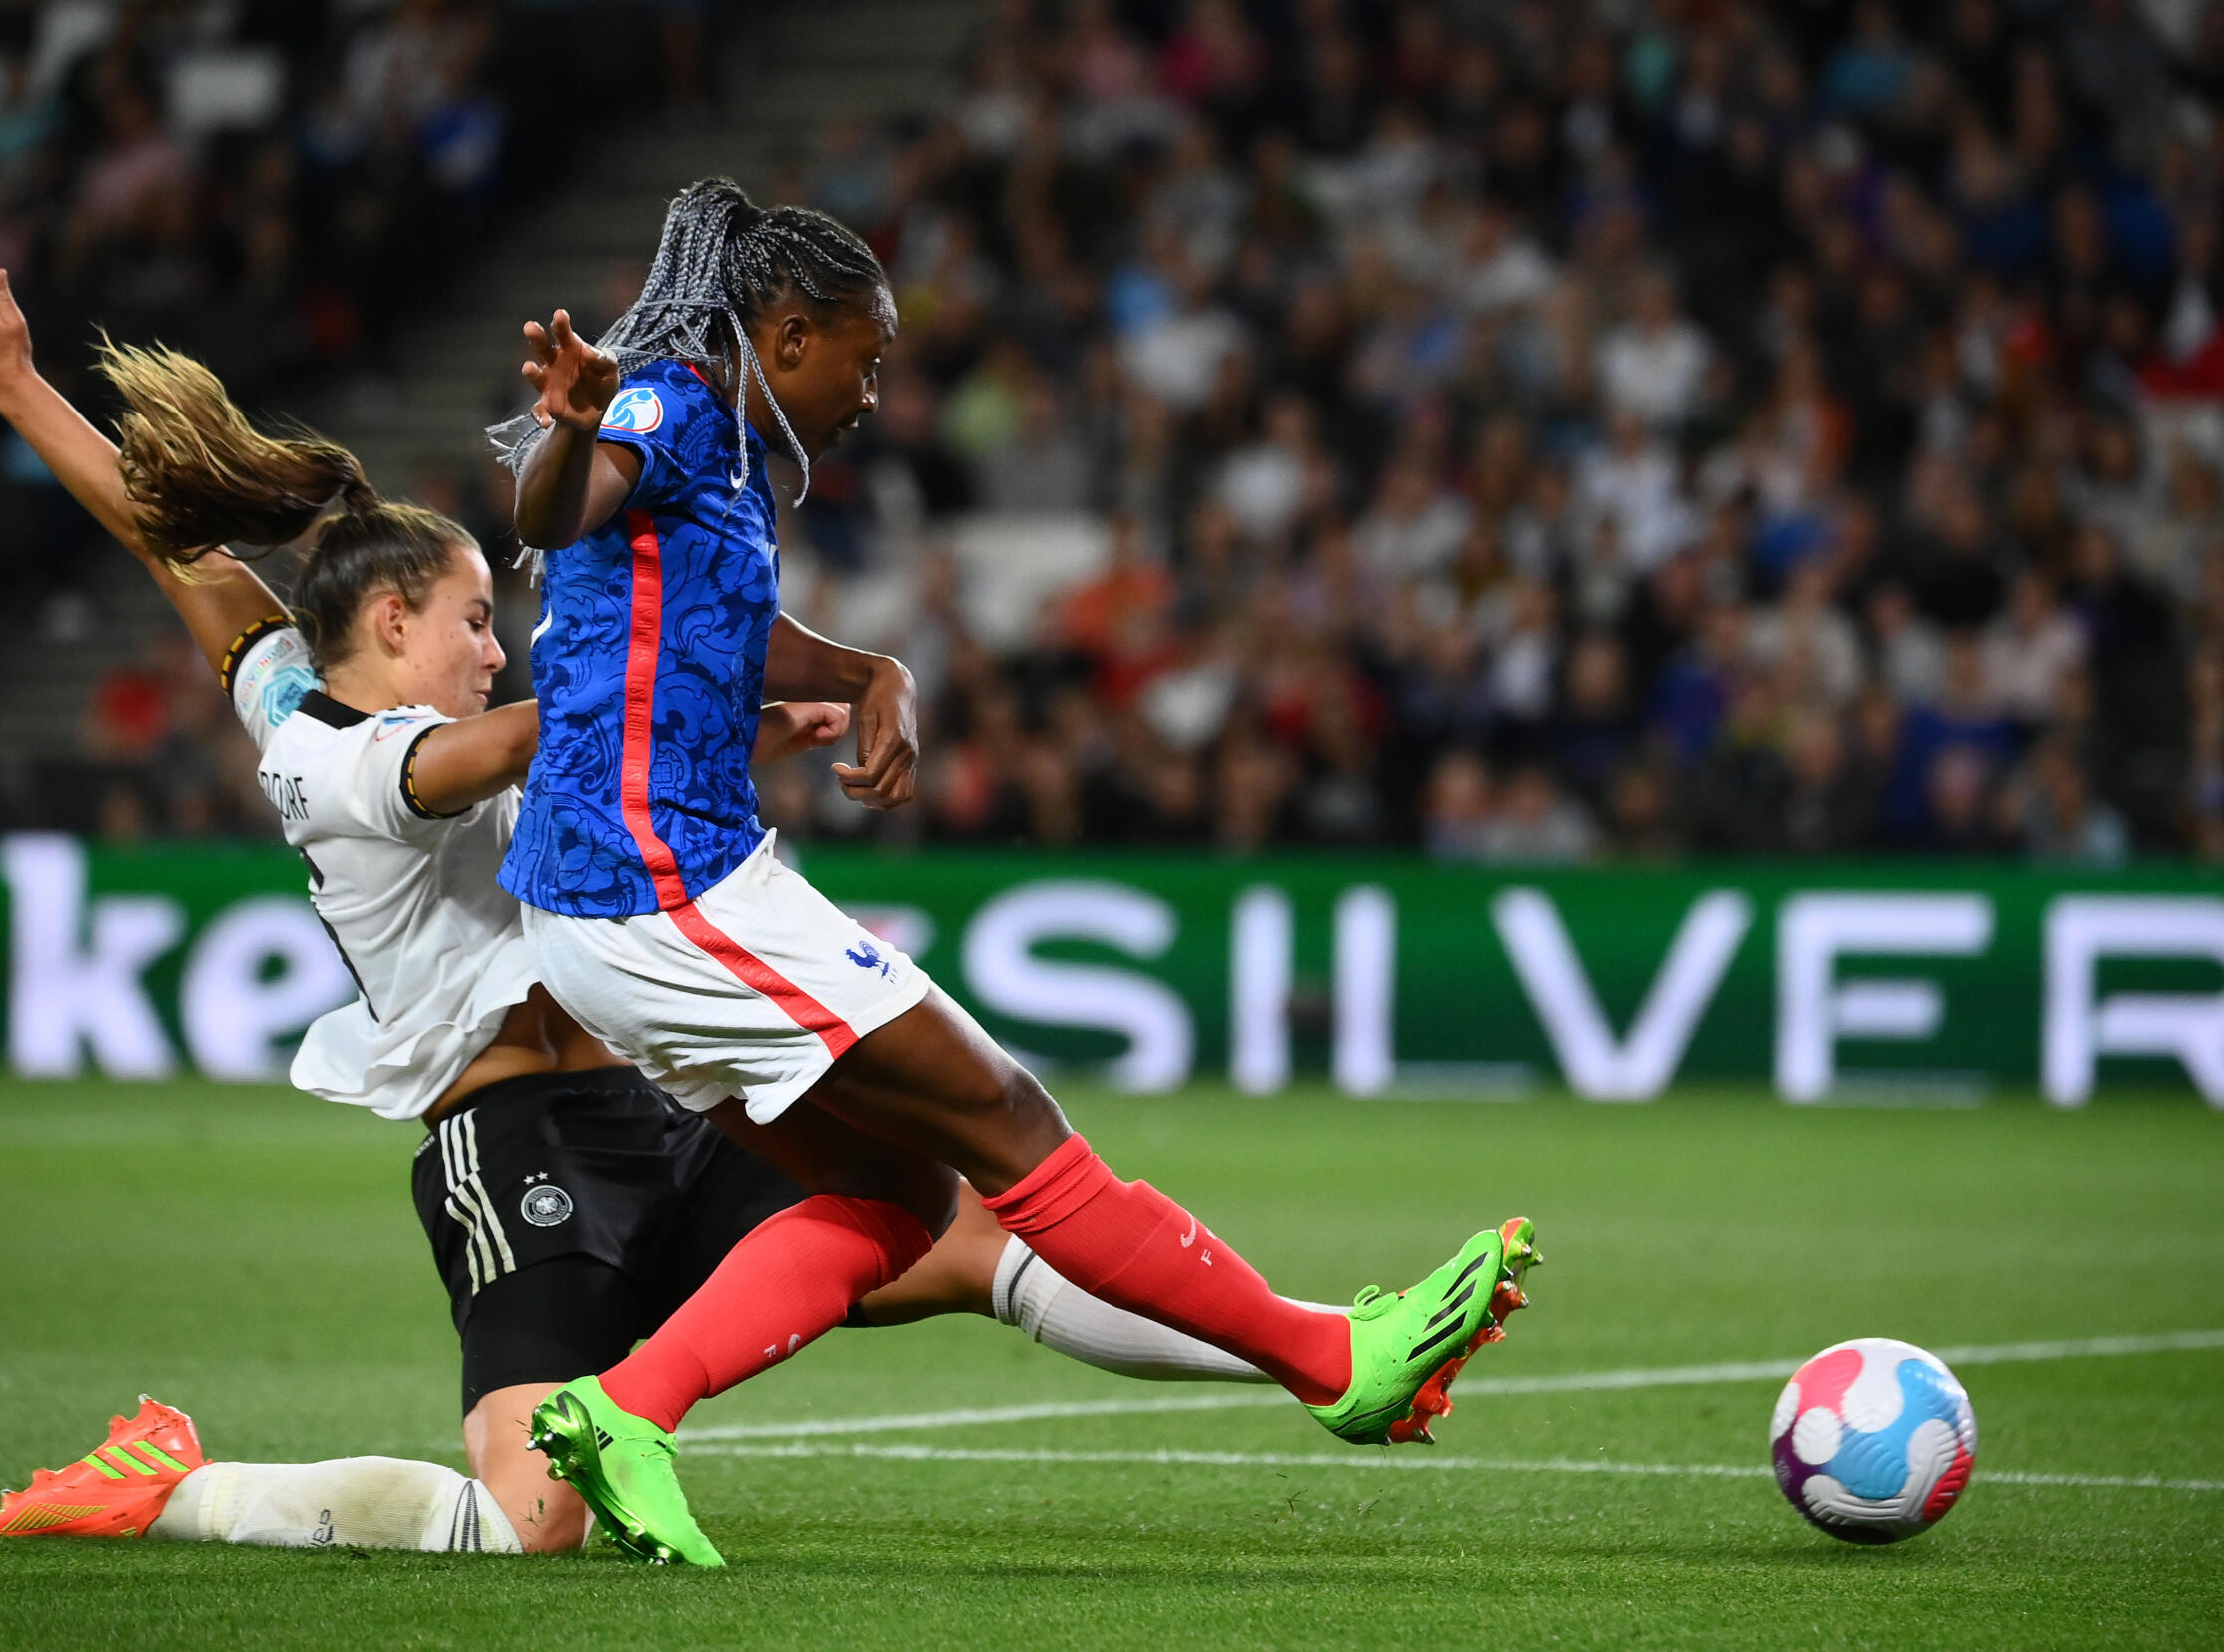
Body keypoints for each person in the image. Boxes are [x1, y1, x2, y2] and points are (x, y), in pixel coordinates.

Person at [0, 245, 1425, 1558]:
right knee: (523, 1526)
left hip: (654, 1094)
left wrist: (12, 383)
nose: (494, 645)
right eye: (471, 622)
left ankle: (1321, 1351)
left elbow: (169, 536)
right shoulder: (338, 761)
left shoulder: (282, 670)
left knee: (958, 1228)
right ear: (391, 620)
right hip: (514, 1147)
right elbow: (555, 721)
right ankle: (173, 1485)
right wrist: (716, 678)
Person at [494, 178, 1538, 1564]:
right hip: (658, 886)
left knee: (903, 1196)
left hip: (635, 895)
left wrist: (872, 667)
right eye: (864, 360)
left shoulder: (726, 447)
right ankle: (1337, 1363)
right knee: (1008, 1116)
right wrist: (568, 433)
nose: (872, 392)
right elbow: (565, 506)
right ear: (789, 333)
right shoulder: (663, 406)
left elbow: (717, 616)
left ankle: (629, 1408)